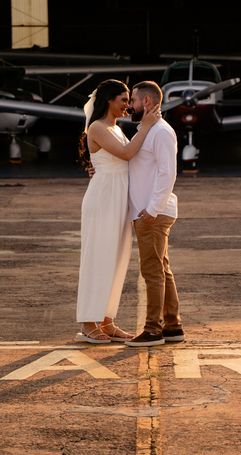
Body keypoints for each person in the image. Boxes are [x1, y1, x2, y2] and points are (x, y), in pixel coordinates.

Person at [76, 80, 162, 344]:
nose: (128, 105)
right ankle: (88, 323)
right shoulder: (98, 127)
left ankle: (107, 320)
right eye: (123, 100)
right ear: (109, 100)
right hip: (103, 199)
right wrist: (146, 126)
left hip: (117, 199)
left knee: (116, 260)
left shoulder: (115, 128)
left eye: (128, 100)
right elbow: (126, 155)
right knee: (97, 259)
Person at [123, 80, 183, 347]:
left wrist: (151, 209)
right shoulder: (147, 130)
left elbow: (167, 173)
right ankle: (172, 326)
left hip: (153, 213)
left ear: (146, 102)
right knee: (162, 270)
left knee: (152, 272)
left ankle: (152, 330)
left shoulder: (160, 131)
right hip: (150, 212)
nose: (129, 106)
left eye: (133, 101)